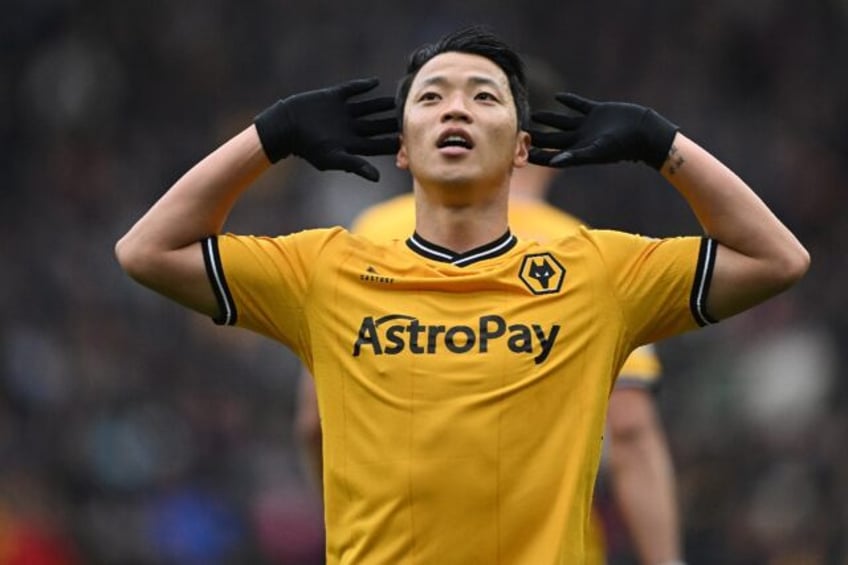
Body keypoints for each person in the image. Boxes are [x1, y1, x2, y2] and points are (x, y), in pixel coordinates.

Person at [115, 25, 809, 564]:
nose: (458, 107)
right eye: (432, 96)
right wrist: (271, 135)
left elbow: (777, 258)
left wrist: (664, 145)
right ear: (404, 150)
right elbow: (146, 250)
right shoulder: (325, 269)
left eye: (485, 96)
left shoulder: (597, 273)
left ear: (520, 149)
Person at [294, 58, 685, 564]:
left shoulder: (370, 232)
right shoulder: (582, 251)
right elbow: (628, 424)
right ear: (549, 141)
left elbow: (315, 418)